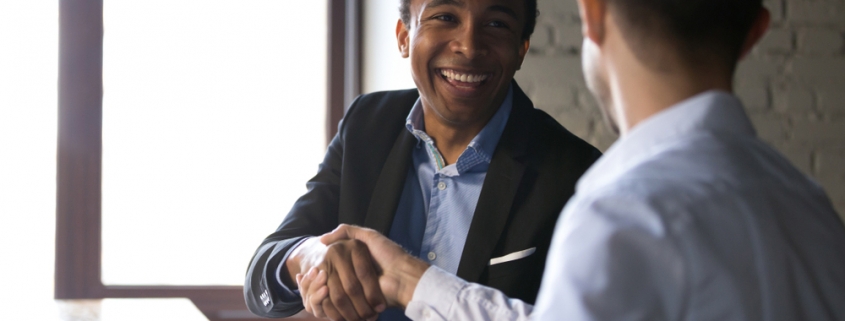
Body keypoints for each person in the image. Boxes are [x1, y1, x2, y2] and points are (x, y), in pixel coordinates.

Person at [299, 0, 845, 319]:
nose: (468, 45)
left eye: (495, 23)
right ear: (755, 32)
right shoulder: (813, 211)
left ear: (593, 16)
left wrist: (411, 283)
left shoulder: (620, 210)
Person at [243, 0, 601, 319]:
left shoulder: (578, 175)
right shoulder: (368, 124)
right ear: (403, 36)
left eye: (496, 24)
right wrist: (309, 257)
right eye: (445, 16)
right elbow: (263, 271)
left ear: (522, 48)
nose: (469, 46)